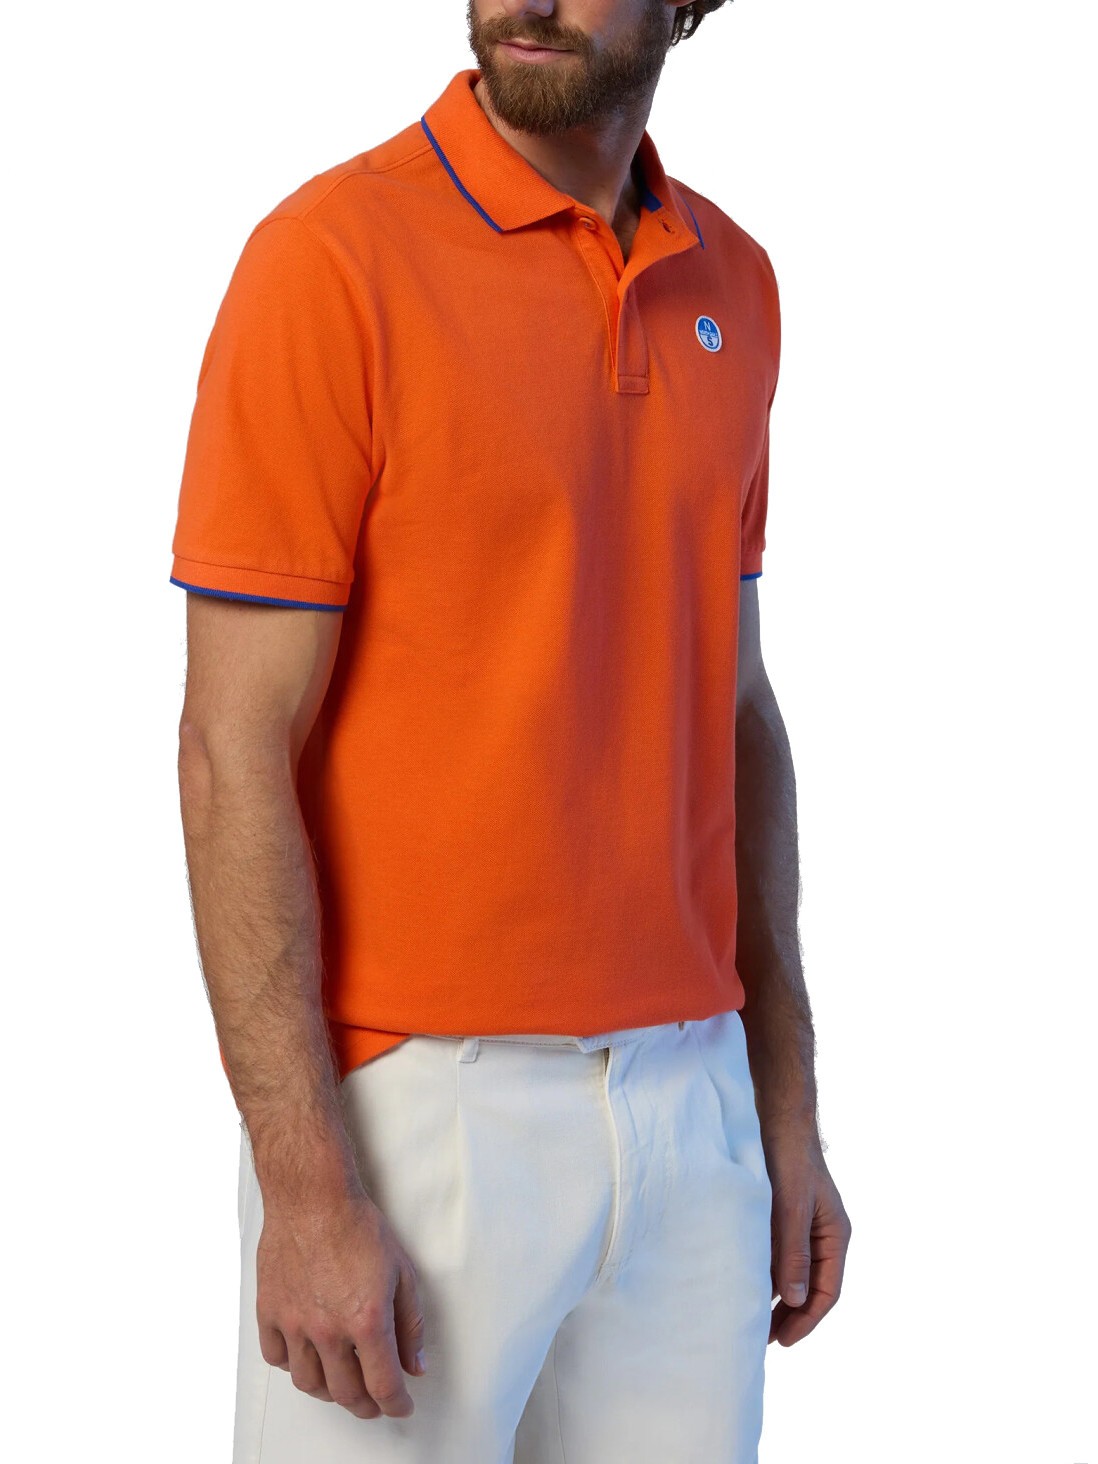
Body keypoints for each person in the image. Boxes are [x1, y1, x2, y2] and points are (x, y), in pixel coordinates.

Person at [170, 2, 852, 1459]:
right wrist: (304, 1183)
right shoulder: (331, 258)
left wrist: (781, 1102)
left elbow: (734, 705)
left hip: (692, 1104)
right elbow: (234, 749)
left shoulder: (735, 280)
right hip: (421, 1114)